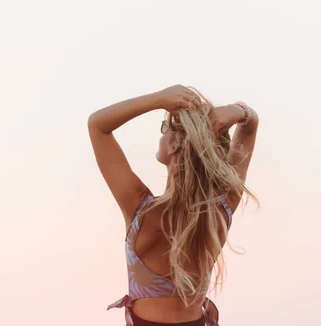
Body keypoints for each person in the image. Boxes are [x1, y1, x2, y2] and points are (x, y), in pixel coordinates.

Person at [88, 85, 259, 326]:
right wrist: (237, 110)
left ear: (173, 146)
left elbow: (97, 125)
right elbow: (250, 128)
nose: (161, 135)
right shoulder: (220, 209)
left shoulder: (140, 208)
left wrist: (158, 99)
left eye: (164, 129)